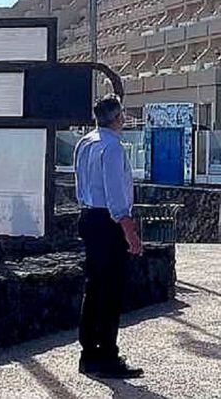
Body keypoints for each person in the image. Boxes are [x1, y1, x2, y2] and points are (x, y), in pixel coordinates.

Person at [73, 94, 144, 379]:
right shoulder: (112, 147)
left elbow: (79, 184)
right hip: (108, 222)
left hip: (89, 216)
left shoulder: (84, 142)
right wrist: (131, 233)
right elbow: (116, 195)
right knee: (110, 291)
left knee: (94, 288)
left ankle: (89, 352)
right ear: (118, 117)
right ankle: (107, 354)